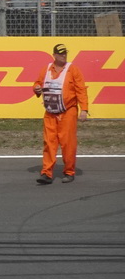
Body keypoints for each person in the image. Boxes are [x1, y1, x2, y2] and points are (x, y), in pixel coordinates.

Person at [33, 43, 89, 184]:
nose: (63, 56)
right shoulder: (45, 69)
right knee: (49, 143)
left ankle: (69, 171)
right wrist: (36, 89)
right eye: (60, 53)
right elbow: (37, 84)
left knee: (68, 143)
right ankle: (46, 173)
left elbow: (81, 90)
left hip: (68, 112)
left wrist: (84, 109)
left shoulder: (73, 69)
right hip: (50, 112)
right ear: (54, 55)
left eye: (65, 53)